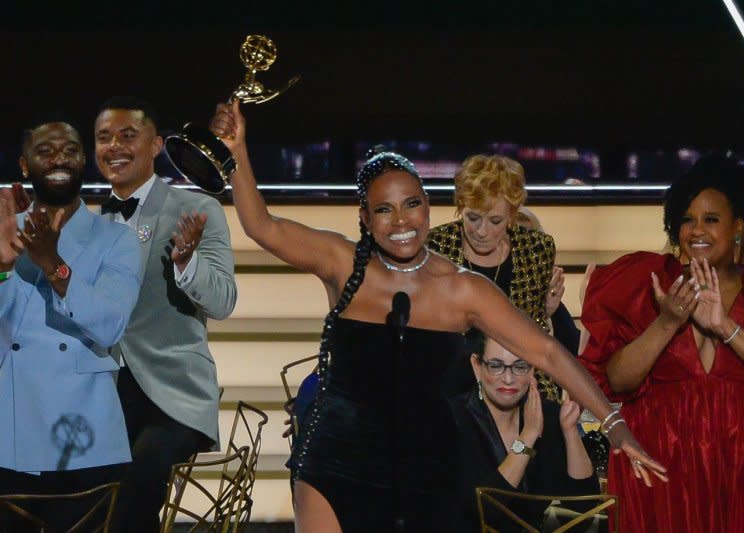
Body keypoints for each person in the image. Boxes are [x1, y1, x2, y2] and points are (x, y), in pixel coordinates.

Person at [211, 100, 665, 533]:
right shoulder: (342, 262)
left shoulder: (461, 289)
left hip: (426, 470)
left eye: (411, 204)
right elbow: (262, 226)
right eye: (384, 209)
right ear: (365, 218)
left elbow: (545, 351)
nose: (400, 220)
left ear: (428, 206)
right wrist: (238, 153)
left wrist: (613, 423)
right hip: (334, 459)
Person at [580, 155, 744, 532]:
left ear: (737, 227)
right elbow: (617, 380)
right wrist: (667, 322)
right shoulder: (646, 283)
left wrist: (725, 325)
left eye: (711, 219)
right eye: (687, 219)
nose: (697, 230)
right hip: (663, 472)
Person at [93, 97, 238, 532]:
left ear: (156, 145)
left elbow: (224, 301)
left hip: (172, 395)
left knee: (135, 485)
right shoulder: (93, 223)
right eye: (104, 137)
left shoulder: (197, 209)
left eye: (127, 135)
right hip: (105, 397)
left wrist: (184, 264)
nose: (115, 146)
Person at [0, 117, 142, 530]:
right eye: (45, 151)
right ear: (25, 166)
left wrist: (53, 265)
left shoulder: (117, 239)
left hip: (86, 440)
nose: (58, 159)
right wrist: (3, 269)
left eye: (69, 150)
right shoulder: (5, 233)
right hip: (12, 436)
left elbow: (110, 326)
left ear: (84, 161)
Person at [427, 154, 579, 401]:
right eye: (472, 217)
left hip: (519, 378)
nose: (481, 231)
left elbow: (536, 333)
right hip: (452, 381)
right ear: (460, 208)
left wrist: (547, 313)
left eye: (495, 220)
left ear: (512, 214)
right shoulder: (436, 246)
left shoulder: (535, 249)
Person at [450, 329, 599, 532]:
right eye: (496, 366)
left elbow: (586, 509)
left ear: (532, 369)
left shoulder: (549, 416)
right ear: (477, 366)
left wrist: (570, 431)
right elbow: (484, 512)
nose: (509, 379)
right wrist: (527, 437)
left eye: (520, 366)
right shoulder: (455, 419)